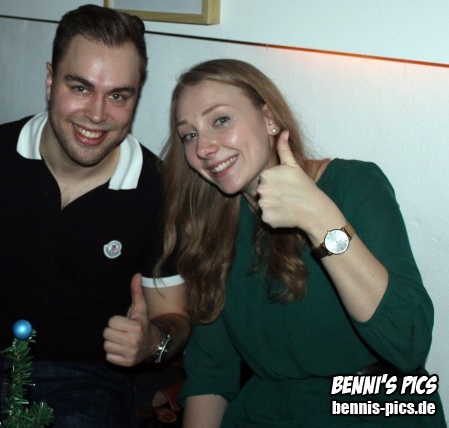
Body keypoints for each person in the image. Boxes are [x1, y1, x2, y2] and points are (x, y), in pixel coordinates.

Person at [0, 5, 189, 427]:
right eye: (81, 87)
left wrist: (152, 342)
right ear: (51, 79)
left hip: (89, 379)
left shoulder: (157, 191)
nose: (97, 114)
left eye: (118, 96)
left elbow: (175, 318)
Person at [155, 59, 446, 427]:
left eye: (221, 120)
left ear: (269, 118)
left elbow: (407, 341)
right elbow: (211, 373)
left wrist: (319, 219)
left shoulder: (353, 184)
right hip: (270, 411)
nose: (204, 147)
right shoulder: (211, 229)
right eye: (189, 135)